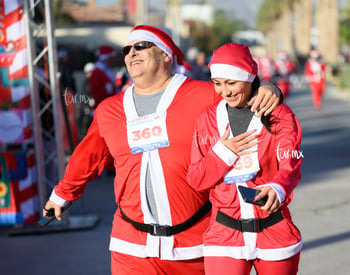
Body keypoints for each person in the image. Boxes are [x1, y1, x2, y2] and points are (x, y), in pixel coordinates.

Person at [41, 25, 281, 275]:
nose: (132, 52)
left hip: (197, 246)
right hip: (130, 247)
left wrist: (268, 88)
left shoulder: (206, 96)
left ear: (166, 55)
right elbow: (88, 156)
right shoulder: (108, 110)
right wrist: (62, 195)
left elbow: (244, 95)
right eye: (127, 49)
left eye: (141, 46)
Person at [187, 43, 302, 275]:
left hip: (275, 230)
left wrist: (278, 187)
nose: (225, 91)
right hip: (224, 234)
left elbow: (291, 162)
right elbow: (196, 180)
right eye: (218, 83)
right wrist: (222, 154)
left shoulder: (279, 114)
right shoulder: (207, 119)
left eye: (232, 82)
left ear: (250, 78)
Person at [89, 45, 117, 112]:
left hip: (109, 105)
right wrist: (110, 87)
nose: (113, 60)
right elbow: (94, 89)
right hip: (101, 106)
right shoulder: (97, 71)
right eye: (111, 58)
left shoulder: (107, 69)